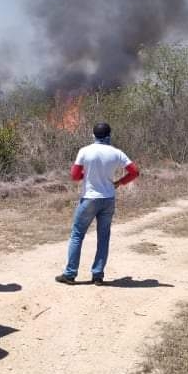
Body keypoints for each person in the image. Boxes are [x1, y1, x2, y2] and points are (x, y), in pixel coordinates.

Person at [56, 122, 139, 285]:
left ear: (93, 135)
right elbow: (134, 172)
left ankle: (70, 274)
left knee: (77, 235)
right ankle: (98, 275)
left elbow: (74, 175)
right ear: (109, 135)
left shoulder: (85, 151)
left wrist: (85, 176)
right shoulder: (117, 153)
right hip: (108, 198)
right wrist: (119, 182)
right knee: (103, 237)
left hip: (90, 198)